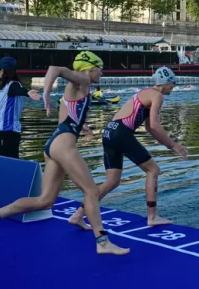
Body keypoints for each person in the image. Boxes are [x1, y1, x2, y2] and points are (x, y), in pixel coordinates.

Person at [0, 51, 129, 256]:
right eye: (100, 68)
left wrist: (82, 127)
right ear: (89, 67)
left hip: (54, 143)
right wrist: (46, 93)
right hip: (63, 145)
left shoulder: (76, 88)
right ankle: (102, 241)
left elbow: (67, 116)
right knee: (91, 191)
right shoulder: (82, 79)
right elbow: (55, 69)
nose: (102, 72)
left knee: (45, 201)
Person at [68, 66, 187, 228]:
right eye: (173, 83)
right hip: (121, 134)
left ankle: (78, 215)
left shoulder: (145, 93)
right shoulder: (157, 96)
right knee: (153, 170)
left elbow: (150, 128)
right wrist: (174, 145)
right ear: (166, 82)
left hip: (109, 132)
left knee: (112, 181)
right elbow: (154, 124)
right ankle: (152, 217)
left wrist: (167, 144)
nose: (173, 86)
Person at [0, 56, 41, 159]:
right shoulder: (6, 87)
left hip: (8, 132)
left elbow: (19, 89)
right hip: (2, 131)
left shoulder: (13, 85)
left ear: (2, 70)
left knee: (6, 162)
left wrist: (28, 92)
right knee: (2, 161)